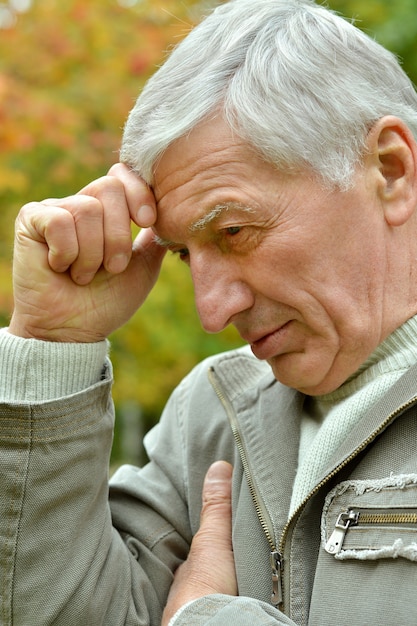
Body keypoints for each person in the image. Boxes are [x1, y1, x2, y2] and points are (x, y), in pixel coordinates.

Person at [2, 0, 417, 623]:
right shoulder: (211, 411)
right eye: (180, 256)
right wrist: (52, 343)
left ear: (391, 168)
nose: (211, 310)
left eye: (233, 230)